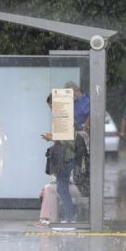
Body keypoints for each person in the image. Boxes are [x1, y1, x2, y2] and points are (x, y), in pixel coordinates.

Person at [41, 94, 75, 223]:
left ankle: (69, 218)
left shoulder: (64, 119)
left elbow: (68, 141)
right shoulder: (64, 118)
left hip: (66, 159)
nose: (51, 110)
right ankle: (69, 217)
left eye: (52, 106)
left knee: (62, 188)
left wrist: (52, 138)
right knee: (62, 188)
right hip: (65, 159)